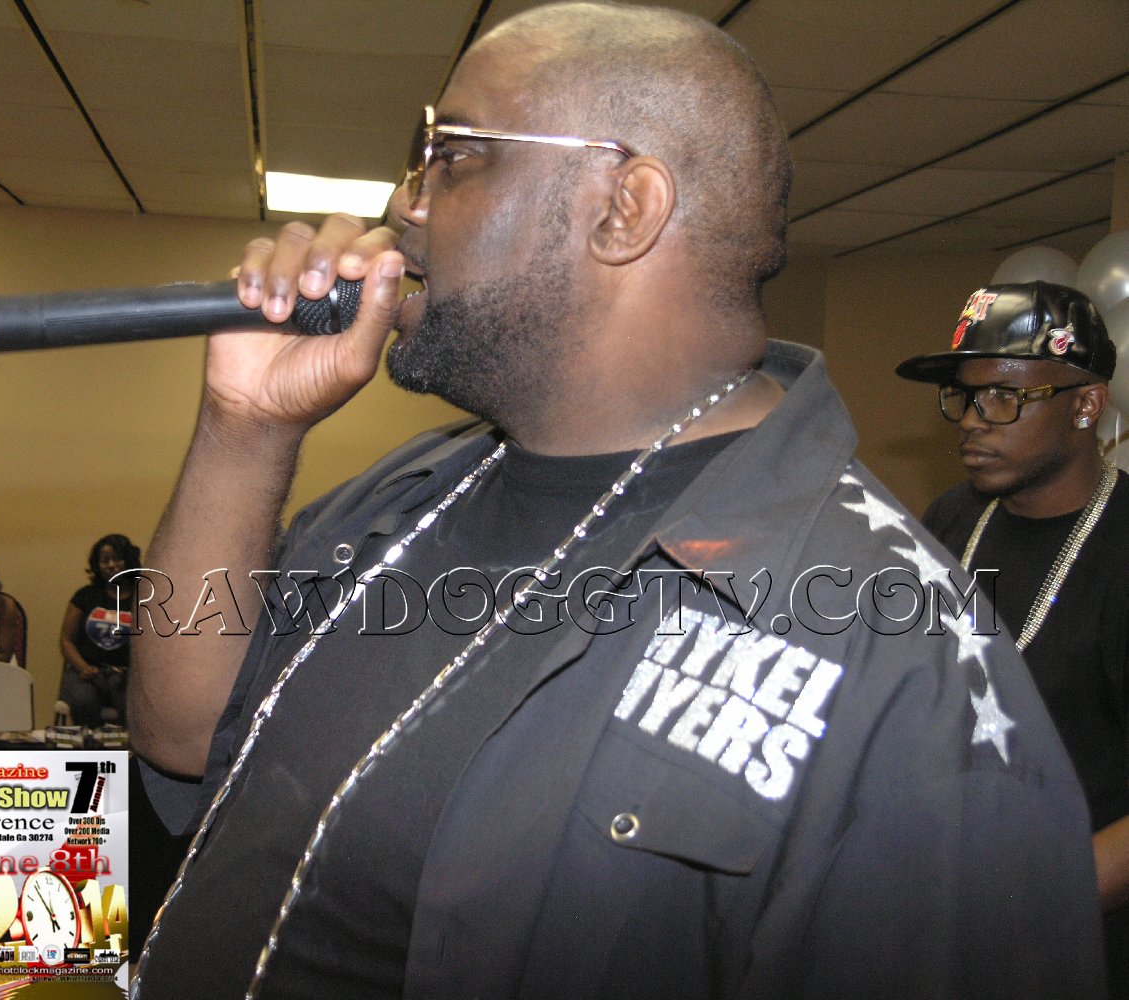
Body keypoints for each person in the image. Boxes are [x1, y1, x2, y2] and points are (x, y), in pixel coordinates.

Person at [128, 4, 1106, 997]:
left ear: (624, 207)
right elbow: (184, 735)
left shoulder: (896, 653)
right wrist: (245, 429)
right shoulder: (406, 494)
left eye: (451, 156)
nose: (402, 202)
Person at [898, 279, 1129, 996]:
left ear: (1085, 405)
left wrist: (1026, 915)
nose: (971, 421)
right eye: (963, 397)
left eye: (1003, 397)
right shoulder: (952, 518)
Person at [59, 533, 139, 727]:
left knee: (135, 706)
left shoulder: (143, 596)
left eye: (117, 559)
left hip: (127, 675)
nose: (111, 565)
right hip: (86, 673)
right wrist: (83, 667)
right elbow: (66, 640)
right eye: (104, 561)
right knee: (83, 701)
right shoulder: (85, 596)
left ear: (128, 561)